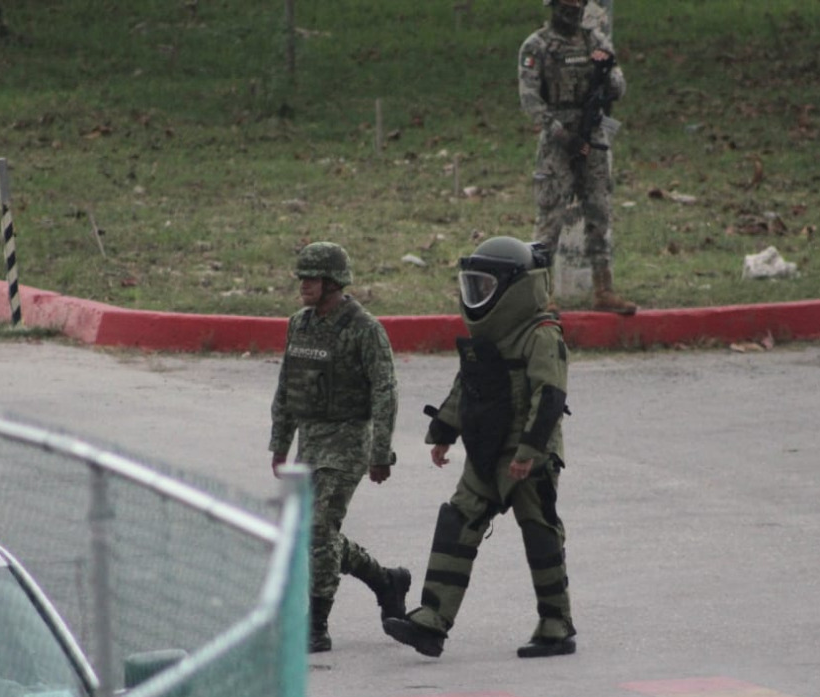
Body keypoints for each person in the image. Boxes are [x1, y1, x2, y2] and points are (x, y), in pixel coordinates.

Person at [383, 236, 576, 659]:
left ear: (517, 288)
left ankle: (556, 623)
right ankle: (432, 621)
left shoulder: (541, 336)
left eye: (486, 287)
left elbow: (549, 399)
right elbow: (469, 387)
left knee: (540, 532)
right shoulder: (492, 337)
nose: (477, 297)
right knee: (458, 520)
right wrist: (444, 430)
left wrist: (529, 452)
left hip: (530, 454)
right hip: (488, 449)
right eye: (473, 286)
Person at [269, 241, 410, 653]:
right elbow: (288, 386)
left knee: (319, 529)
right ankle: (386, 581)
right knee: (310, 533)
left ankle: (316, 624)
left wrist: (380, 453)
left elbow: (385, 392)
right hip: (311, 441)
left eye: (311, 278)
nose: (303, 286)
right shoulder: (300, 325)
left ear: (333, 282)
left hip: (348, 442)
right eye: (302, 278)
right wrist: (280, 442)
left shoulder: (365, 329)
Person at [519, 0, 636, 315]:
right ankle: (541, 296)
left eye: (577, 3)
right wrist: (562, 136)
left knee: (599, 211)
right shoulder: (537, 46)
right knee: (550, 217)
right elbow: (530, 100)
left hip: (593, 138)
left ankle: (604, 288)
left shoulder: (595, 41)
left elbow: (619, 86)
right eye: (566, 4)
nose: (572, 9)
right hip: (558, 141)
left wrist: (606, 73)